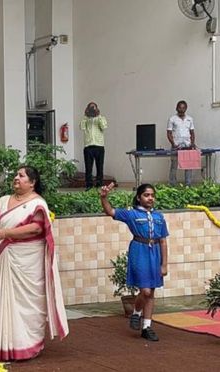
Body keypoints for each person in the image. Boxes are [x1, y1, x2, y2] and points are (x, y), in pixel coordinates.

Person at [0, 165, 69, 361]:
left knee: (29, 303)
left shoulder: (38, 203)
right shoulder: (4, 200)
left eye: (21, 175)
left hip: (29, 260)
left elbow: (36, 229)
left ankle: (28, 344)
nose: (16, 178)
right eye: (16, 175)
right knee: (7, 299)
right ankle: (6, 346)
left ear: (32, 182)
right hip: (8, 257)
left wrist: (6, 233)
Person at [100, 183, 169, 342]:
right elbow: (110, 211)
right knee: (145, 291)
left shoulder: (159, 216)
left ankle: (146, 326)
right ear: (139, 197)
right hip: (139, 251)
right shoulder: (131, 214)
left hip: (155, 253)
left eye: (152, 195)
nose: (150, 198)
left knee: (151, 291)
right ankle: (137, 312)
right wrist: (104, 197)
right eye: (146, 195)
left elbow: (163, 241)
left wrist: (164, 264)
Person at [167, 100, 195, 186]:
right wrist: (173, 144)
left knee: (188, 166)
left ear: (186, 108)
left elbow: (192, 132)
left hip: (187, 145)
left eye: (183, 108)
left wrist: (192, 143)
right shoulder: (172, 119)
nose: (181, 109)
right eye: (179, 107)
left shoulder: (190, 119)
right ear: (176, 108)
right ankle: (172, 185)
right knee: (174, 166)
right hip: (176, 146)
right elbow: (169, 133)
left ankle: (188, 185)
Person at [80, 102, 108, 190]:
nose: (92, 109)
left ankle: (99, 184)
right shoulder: (85, 119)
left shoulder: (101, 118)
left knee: (100, 166)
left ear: (97, 108)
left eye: (94, 108)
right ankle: (89, 185)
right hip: (88, 146)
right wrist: (86, 116)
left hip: (99, 145)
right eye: (91, 108)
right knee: (88, 167)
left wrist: (98, 116)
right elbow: (82, 127)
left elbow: (104, 127)